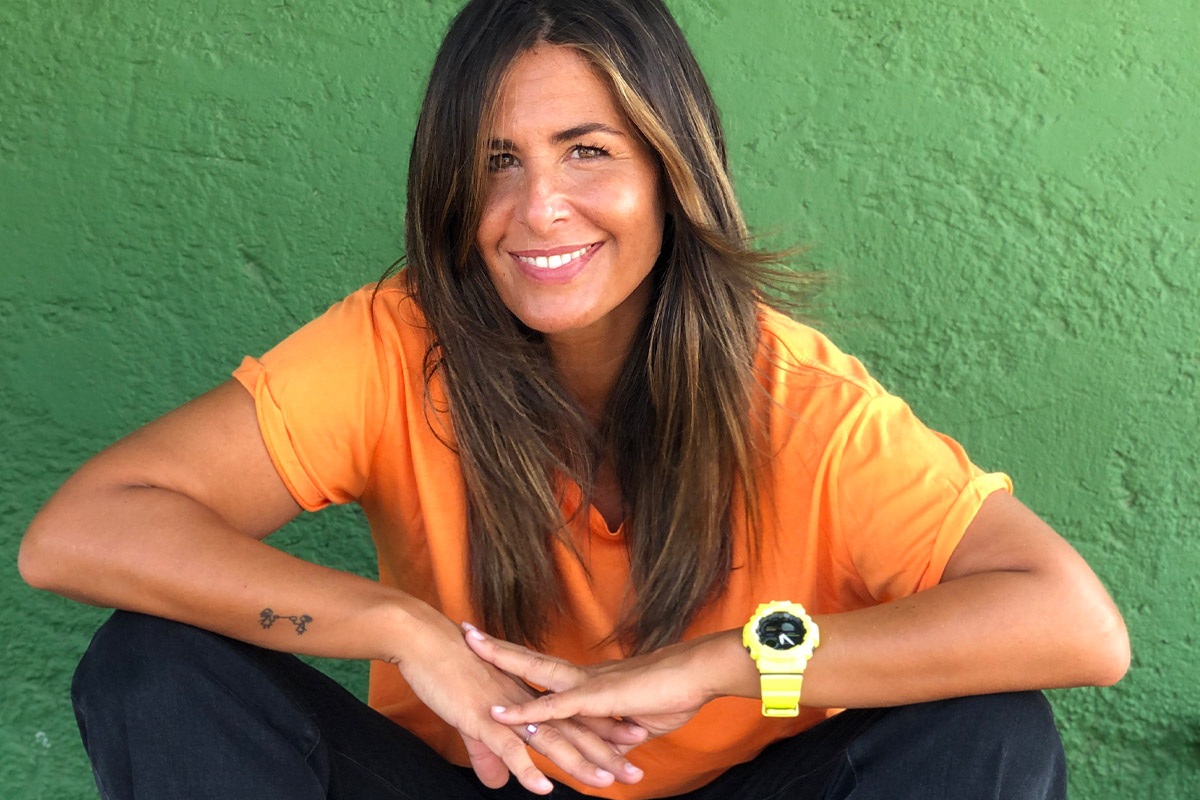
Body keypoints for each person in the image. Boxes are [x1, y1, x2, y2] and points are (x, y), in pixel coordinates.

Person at [19, 0, 1129, 798]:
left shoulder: (800, 400)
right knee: (152, 669)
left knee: (991, 726)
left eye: (587, 151)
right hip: (484, 779)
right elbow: (82, 530)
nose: (539, 208)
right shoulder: (398, 342)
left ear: (670, 170)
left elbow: (1072, 622)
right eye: (496, 160)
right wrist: (403, 630)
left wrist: (725, 664)